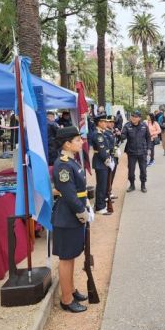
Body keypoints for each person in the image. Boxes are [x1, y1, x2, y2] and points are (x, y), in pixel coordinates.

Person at [52, 126, 91, 313]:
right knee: (66, 259)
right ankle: (66, 299)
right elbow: (68, 194)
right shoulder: (63, 165)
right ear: (67, 144)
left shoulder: (72, 161)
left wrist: (86, 206)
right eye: (77, 140)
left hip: (73, 216)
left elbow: (79, 190)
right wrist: (82, 211)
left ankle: (71, 289)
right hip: (67, 217)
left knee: (72, 255)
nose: (81, 142)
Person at [121, 110, 151, 193]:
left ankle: (143, 185)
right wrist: (121, 135)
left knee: (143, 170)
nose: (133, 118)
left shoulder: (144, 126)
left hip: (143, 151)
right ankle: (132, 185)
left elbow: (148, 138)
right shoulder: (127, 126)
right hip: (131, 152)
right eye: (132, 116)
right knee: (131, 171)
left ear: (139, 118)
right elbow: (123, 136)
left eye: (135, 117)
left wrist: (149, 149)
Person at [89, 115, 111, 215]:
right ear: (98, 123)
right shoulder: (97, 135)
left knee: (103, 184)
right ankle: (100, 207)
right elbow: (102, 149)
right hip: (101, 161)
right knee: (101, 185)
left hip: (103, 161)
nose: (106, 123)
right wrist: (107, 159)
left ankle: (101, 203)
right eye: (103, 122)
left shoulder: (101, 133)